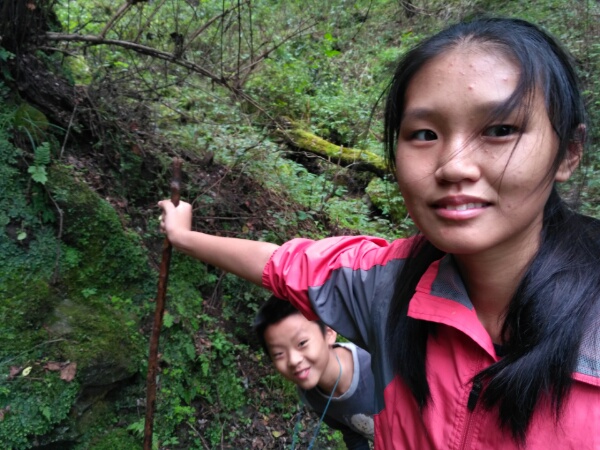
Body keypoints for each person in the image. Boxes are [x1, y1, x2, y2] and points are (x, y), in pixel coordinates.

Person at [159, 17, 600, 449]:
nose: (454, 165)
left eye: (501, 130)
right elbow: (282, 264)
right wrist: (184, 238)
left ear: (569, 152)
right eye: (424, 134)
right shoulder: (388, 286)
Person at [253, 296, 375, 449]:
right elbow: (350, 430)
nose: (293, 360)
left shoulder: (375, 364)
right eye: (279, 353)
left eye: (302, 343)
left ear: (329, 333)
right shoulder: (310, 395)